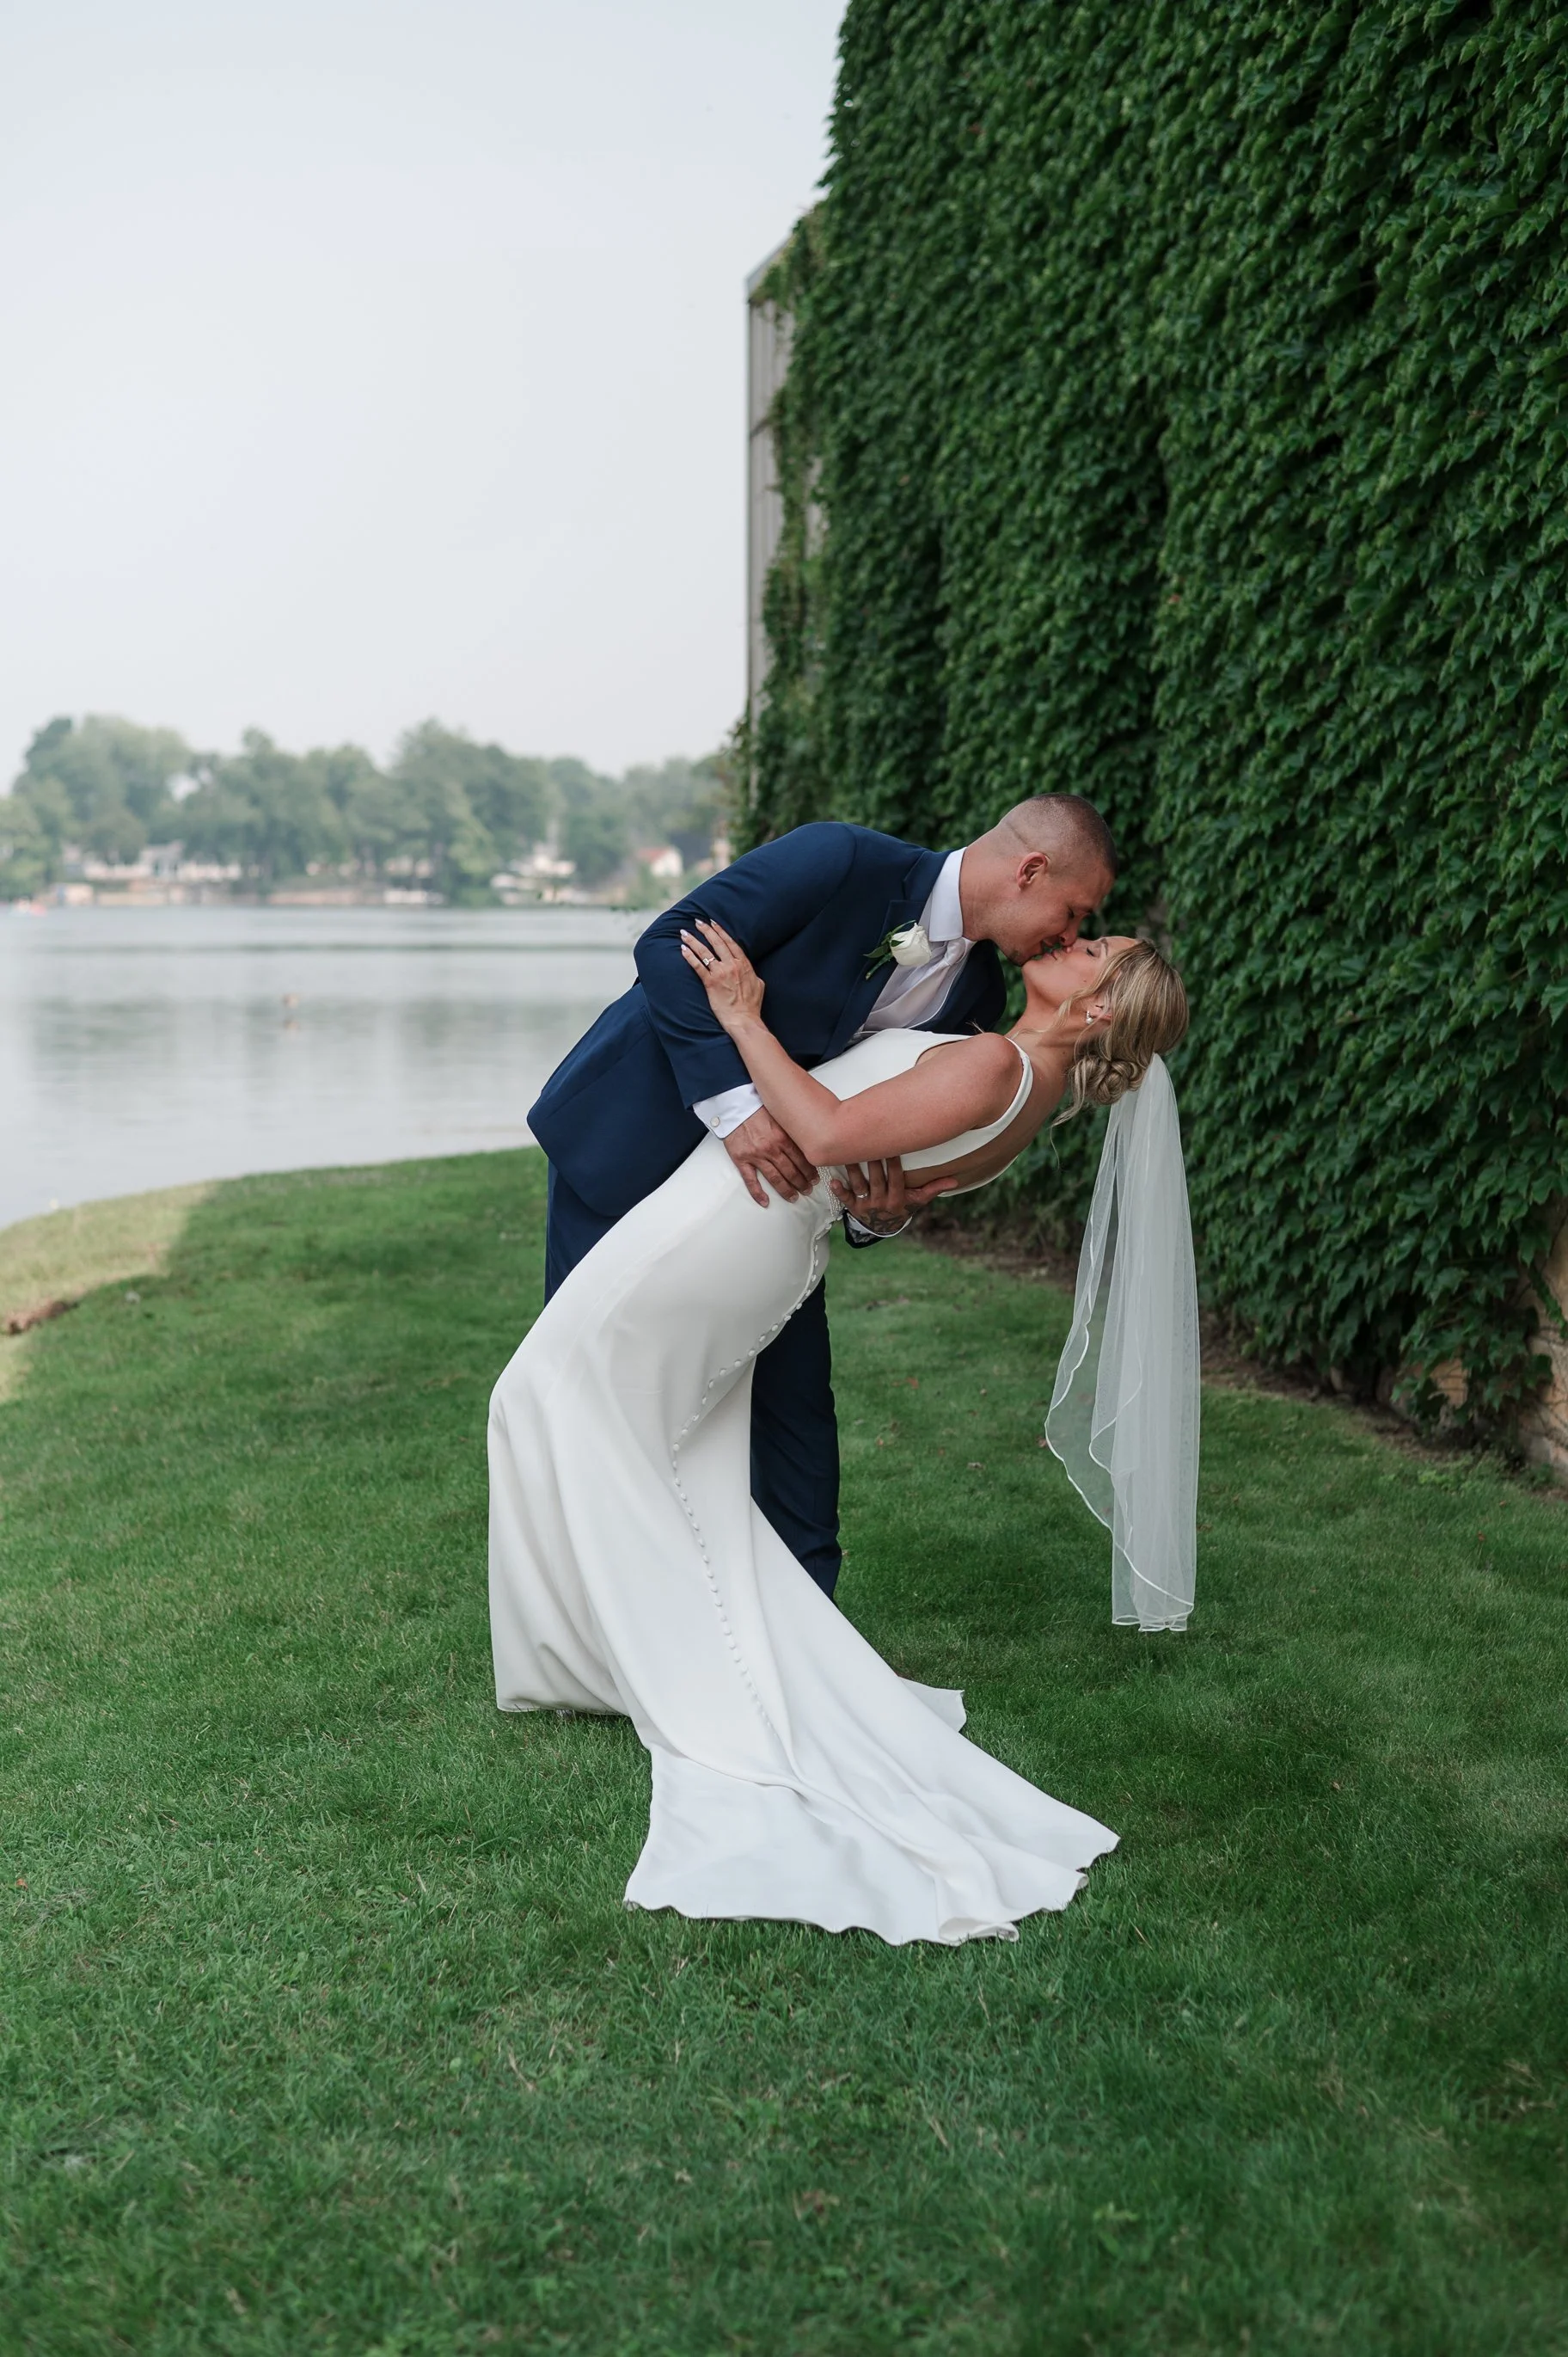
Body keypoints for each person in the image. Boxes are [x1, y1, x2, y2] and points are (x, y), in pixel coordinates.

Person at [489, 922, 1190, 1944]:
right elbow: (889, 1178)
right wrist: (883, 1203)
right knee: (648, 1443)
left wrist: (741, 1016)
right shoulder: (1026, 1088)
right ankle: (610, 1656)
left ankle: (626, 1665)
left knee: (546, 1395)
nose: (1072, 938)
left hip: (734, 1221)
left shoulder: (998, 1065)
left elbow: (821, 1133)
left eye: (1094, 951)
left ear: (1097, 1007)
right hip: (747, 1222)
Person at [526, 797, 1118, 1600]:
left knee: (796, 1420)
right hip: (630, 1141)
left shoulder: (980, 998)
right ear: (1030, 870)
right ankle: (592, 1612)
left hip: (773, 1210)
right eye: (1074, 911)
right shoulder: (841, 860)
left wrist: (882, 1214)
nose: (1067, 933)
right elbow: (669, 943)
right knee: (594, 1386)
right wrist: (735, 1110)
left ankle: (804, 1629)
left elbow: (893, 1126)